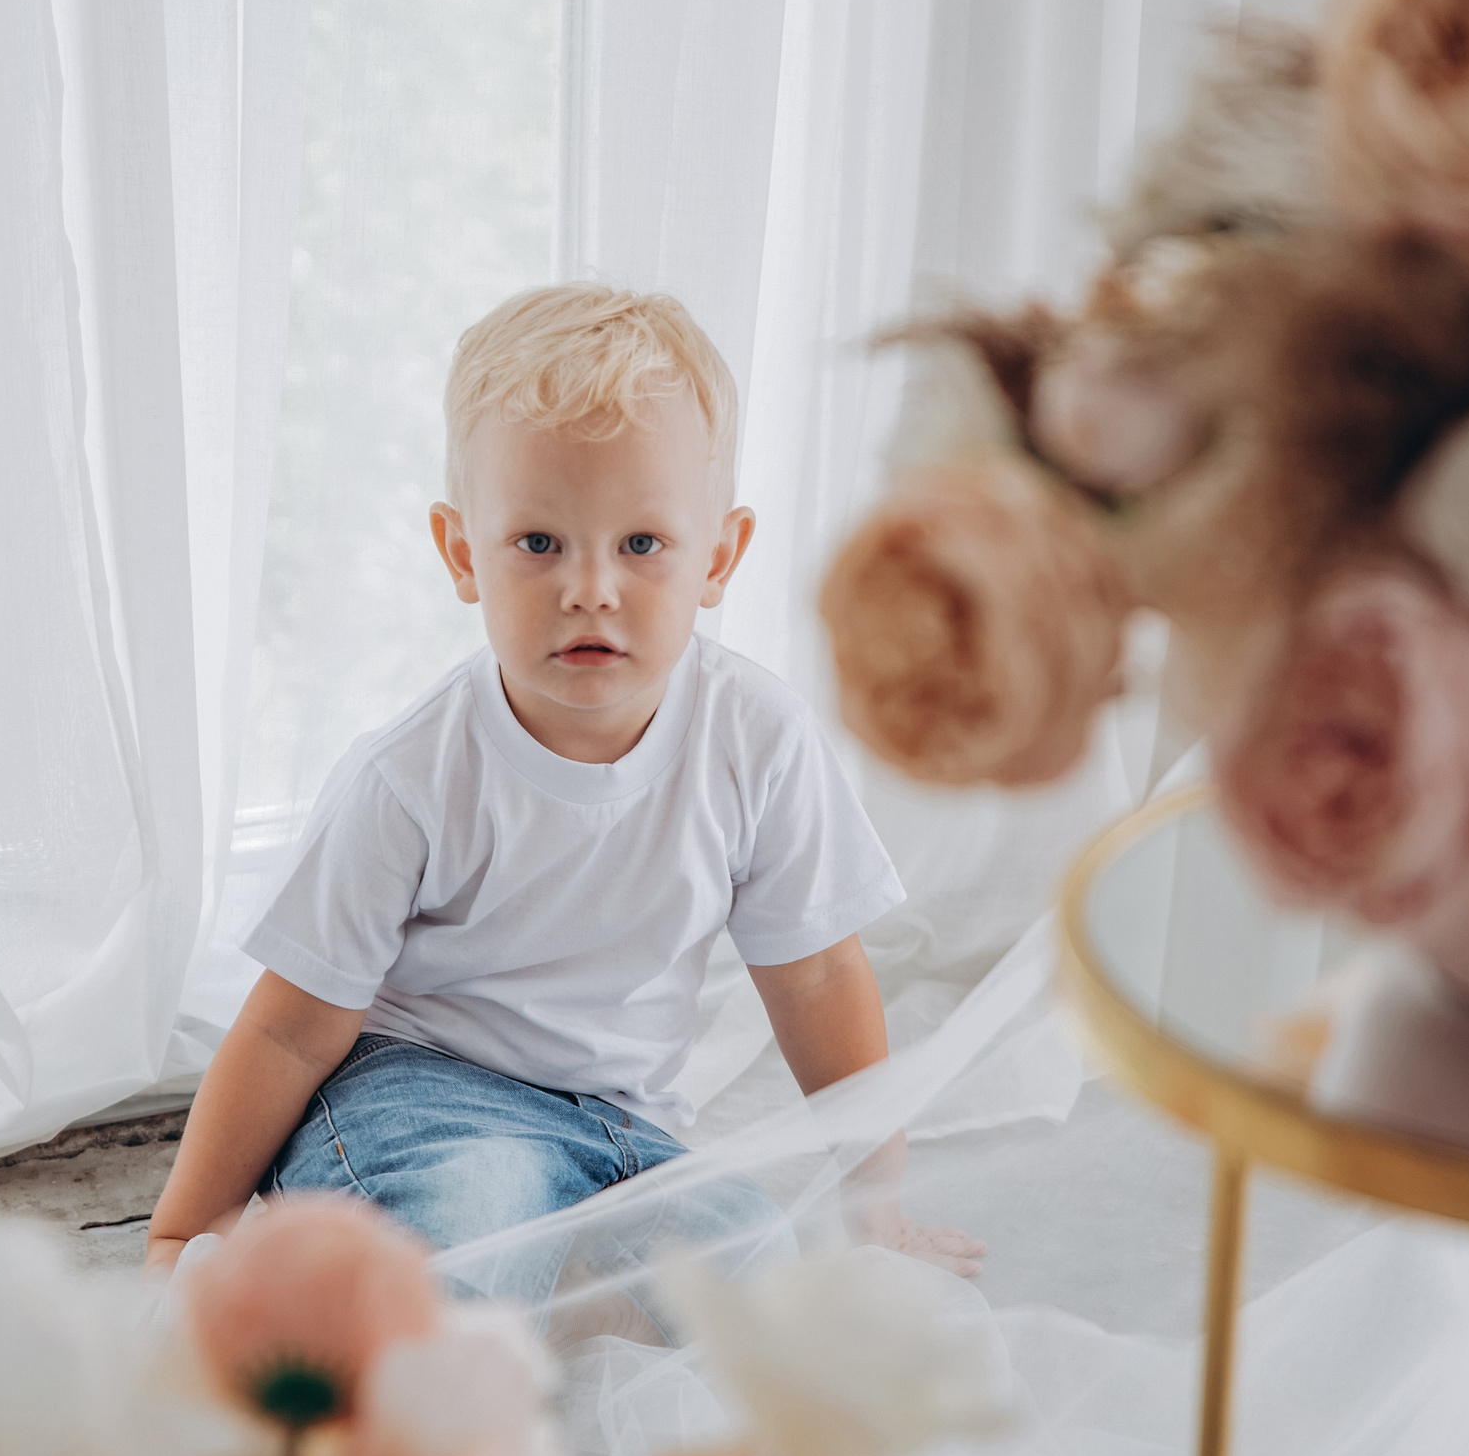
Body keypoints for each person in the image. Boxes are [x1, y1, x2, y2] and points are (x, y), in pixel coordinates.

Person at [141, 283, 984, 1298]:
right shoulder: (412, 776)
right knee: (471, 1228)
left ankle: (572, 1263)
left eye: (642, 545)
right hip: (418, 1090)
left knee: (756, 1276)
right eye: (539, 544)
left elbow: (816, 979)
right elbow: (288, 1025)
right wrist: (188, 1225)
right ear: (464, 554)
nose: (591, 588)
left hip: (621, 1122)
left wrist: (871, 1202)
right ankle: (411, 1295)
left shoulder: (756, 738)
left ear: (718, 557)